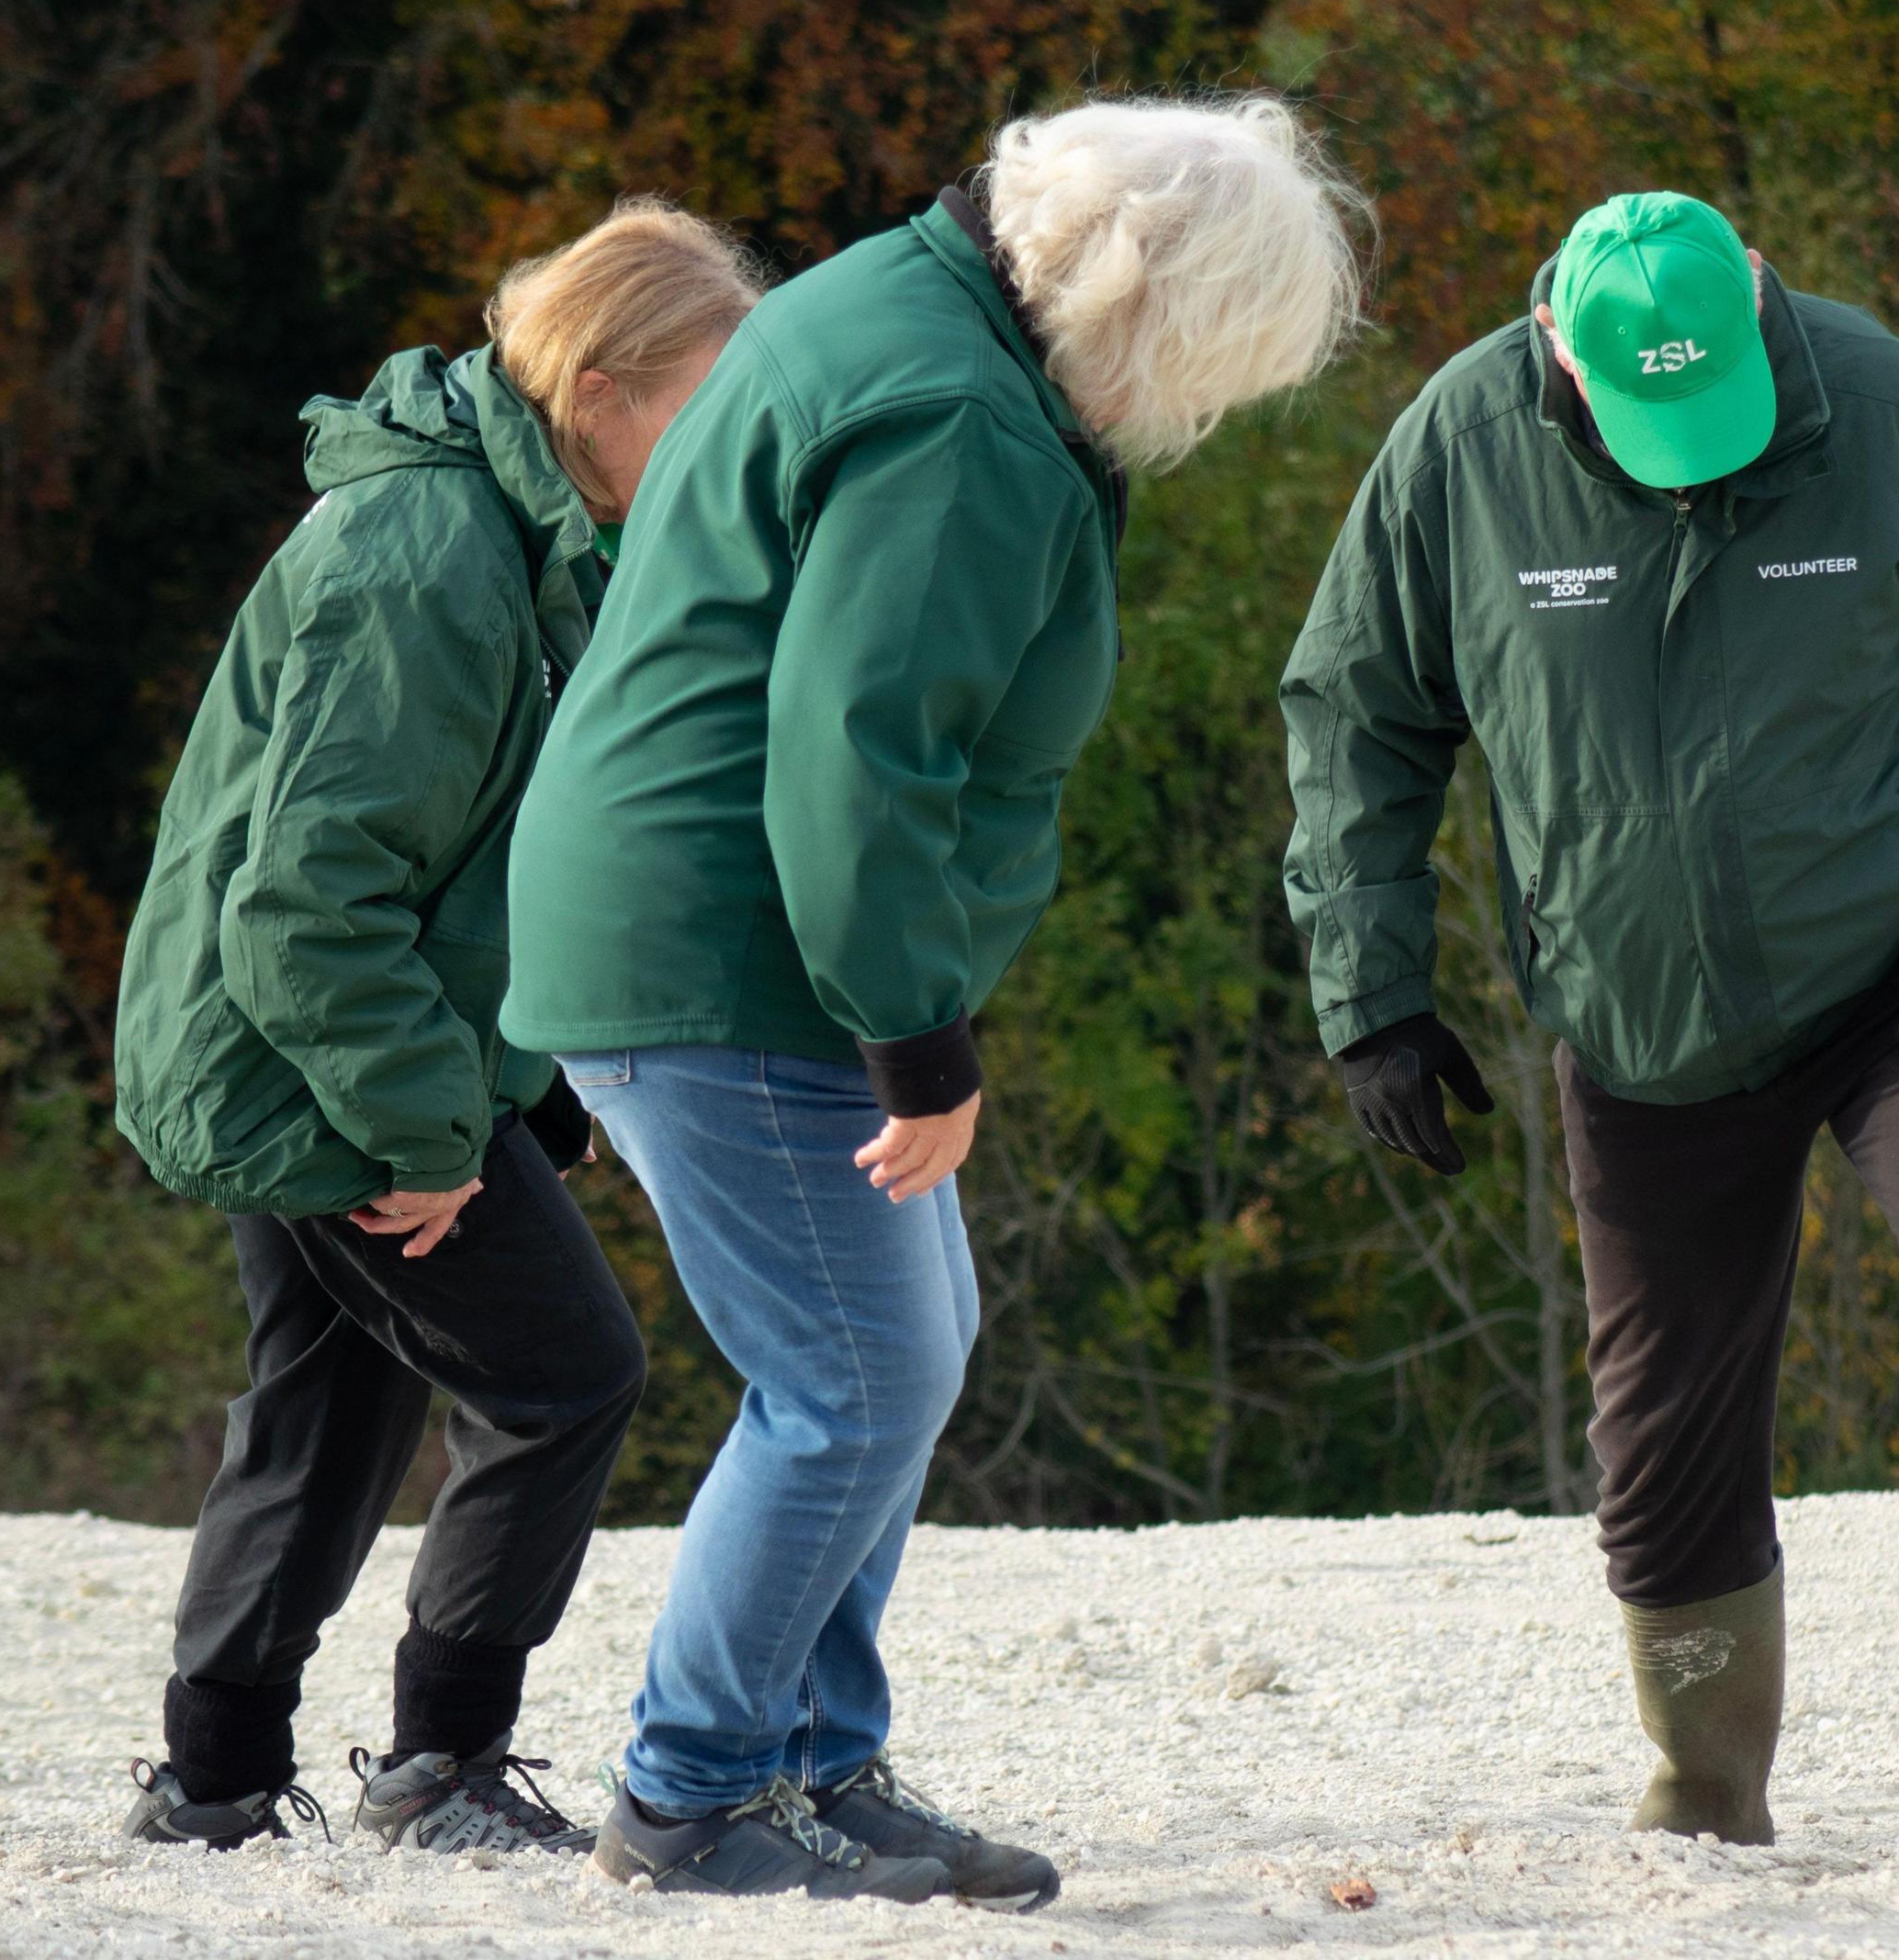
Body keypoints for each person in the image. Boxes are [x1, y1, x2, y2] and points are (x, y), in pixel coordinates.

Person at [500, 96, 1365, 1907]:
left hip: (708, 919)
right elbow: (856, 751)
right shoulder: (961, 416)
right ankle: (691, 1792)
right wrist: (918, 1029)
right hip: (731, 942)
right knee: (853, 1373)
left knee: (903, 1344)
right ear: (1162, 315)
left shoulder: (890, 300)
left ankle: (818, 1762)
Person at [1280, 191, 1899, 1858]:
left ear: (1761, 309)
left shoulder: (1882, 406)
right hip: (1642, 1005)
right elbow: (1356, 712)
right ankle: (1705, 1781)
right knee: (1662, 1428)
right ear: (1558, 356)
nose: (1693, 456)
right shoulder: (1459, 449)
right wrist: (1371, 992)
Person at [107, 198, 762, 1854]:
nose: (731, 437)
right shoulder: (432, 553)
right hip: (310, 1063)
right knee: (564, 1378)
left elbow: (476, 854)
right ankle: (441, 1765)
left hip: (323, 1044)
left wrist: (522, 1078)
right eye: (711, 393)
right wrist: (424, 1126)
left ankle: (214, 1780)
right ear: (600, 389)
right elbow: (306, 902)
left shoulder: (523, 531)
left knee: (328, 1412)